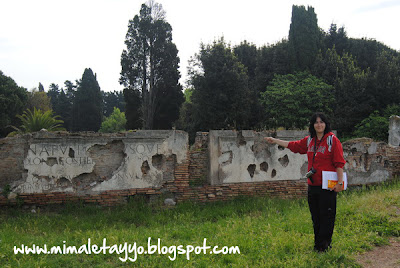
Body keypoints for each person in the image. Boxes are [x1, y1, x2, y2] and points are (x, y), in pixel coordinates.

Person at [264, 112, 345, 252]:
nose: (319, 125)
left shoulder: (332, 140)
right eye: (316, 122)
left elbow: (339, 163)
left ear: (326, 124)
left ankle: (325, 246)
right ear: (313, 125)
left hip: (328, 185)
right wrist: (275, 140)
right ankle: (317, 245)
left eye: (321, 122)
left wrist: (340, 183)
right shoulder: (310, 141)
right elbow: (293, 145)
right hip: (313, 185)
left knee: (327, 216)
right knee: (316, 217)